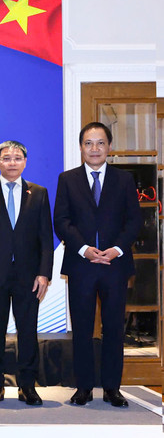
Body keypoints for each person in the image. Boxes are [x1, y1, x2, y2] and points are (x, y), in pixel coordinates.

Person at [54, 122, 142, 407]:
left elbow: (134, 221)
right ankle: (83, 388)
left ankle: (112, 388)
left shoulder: (124, 180)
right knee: (81, 328)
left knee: (114, 328)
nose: (94, 148)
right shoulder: (67, 179)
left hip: (115, 266)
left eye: (100, 143)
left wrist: (115, 250)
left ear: (109, 147)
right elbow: (62, 222)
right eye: (89, 143)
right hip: (82, 266)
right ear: (81, 147)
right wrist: (84, 249)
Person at [0, 141, 53, 406]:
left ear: (25, 162)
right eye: (6, 158)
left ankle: (27, 386)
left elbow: (46, 238)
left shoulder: (39, 193)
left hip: (28, 276)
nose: (12, 162)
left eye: (17, 158)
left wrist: (44, 274)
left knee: (28, 331)